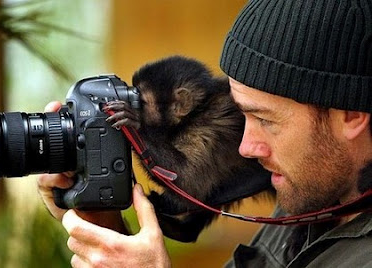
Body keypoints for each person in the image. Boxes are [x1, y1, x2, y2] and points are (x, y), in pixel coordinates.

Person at [37, 0, 372, 267]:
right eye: (243, 114)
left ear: (352, 115)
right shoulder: (308, 196)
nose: (245, 147)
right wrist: (104, 222)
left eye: (266, 120)